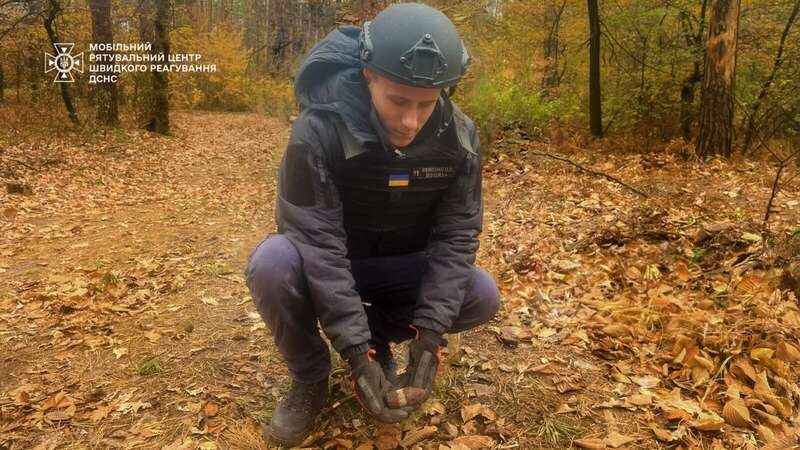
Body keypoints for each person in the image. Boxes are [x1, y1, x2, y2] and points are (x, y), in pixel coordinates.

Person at [244, 3, 500, 447]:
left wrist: (429, 334)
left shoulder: (460, 138)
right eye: (398, 100)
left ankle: (381, 336)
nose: (410, 121)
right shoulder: (318, 128)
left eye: (426, 104)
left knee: (480, 293)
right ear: (369, 77)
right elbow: (317, 242)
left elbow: (457, 237)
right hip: (334, 261)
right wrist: (355, 355)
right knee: (272, 262)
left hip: (401, 265)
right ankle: (310, 376)